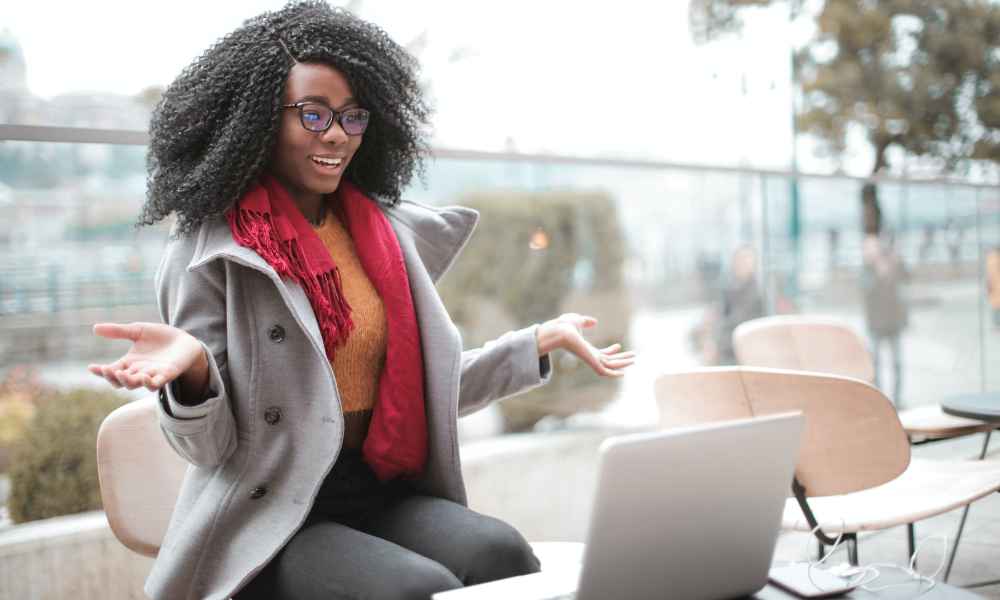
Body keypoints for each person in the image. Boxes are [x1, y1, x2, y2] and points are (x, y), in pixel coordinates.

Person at [86, 4, 635, 599]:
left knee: (499, 553)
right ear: (257, 120)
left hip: (377, 487)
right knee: (414, 589)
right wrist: (193, 373)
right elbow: (211, 448)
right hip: (278, 512)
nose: (336, 135)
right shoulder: (210, 251)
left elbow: (419, 395)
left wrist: (535, 342)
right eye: (313, 114)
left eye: (351, 117)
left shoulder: (381, 235)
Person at [861, 234, 909, 404]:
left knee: (897, 363)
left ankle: (897, 399)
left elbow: (907, 277)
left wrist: (897, 260)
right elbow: (867, 289)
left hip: (892, 322)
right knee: (875, 365)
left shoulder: (891, 263)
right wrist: (879, 271)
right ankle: (879, 400)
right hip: (875, 324)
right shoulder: (867, 269)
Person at [714, 245, 765, 365]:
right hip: (728, 351)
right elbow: (721, 318)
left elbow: (739, 321)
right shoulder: (728, 289)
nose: (741, 264)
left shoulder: (759, 292)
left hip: (747, 351)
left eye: (746, 260)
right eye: (739, 260)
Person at [987, 246, 1000, 329]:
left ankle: (996, 324)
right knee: (996, 305)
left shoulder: (991, 258)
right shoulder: (992, 258)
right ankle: (996, 324)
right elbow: (990, 274)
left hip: (995, 286)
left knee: (996, 305)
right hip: (995, 286)